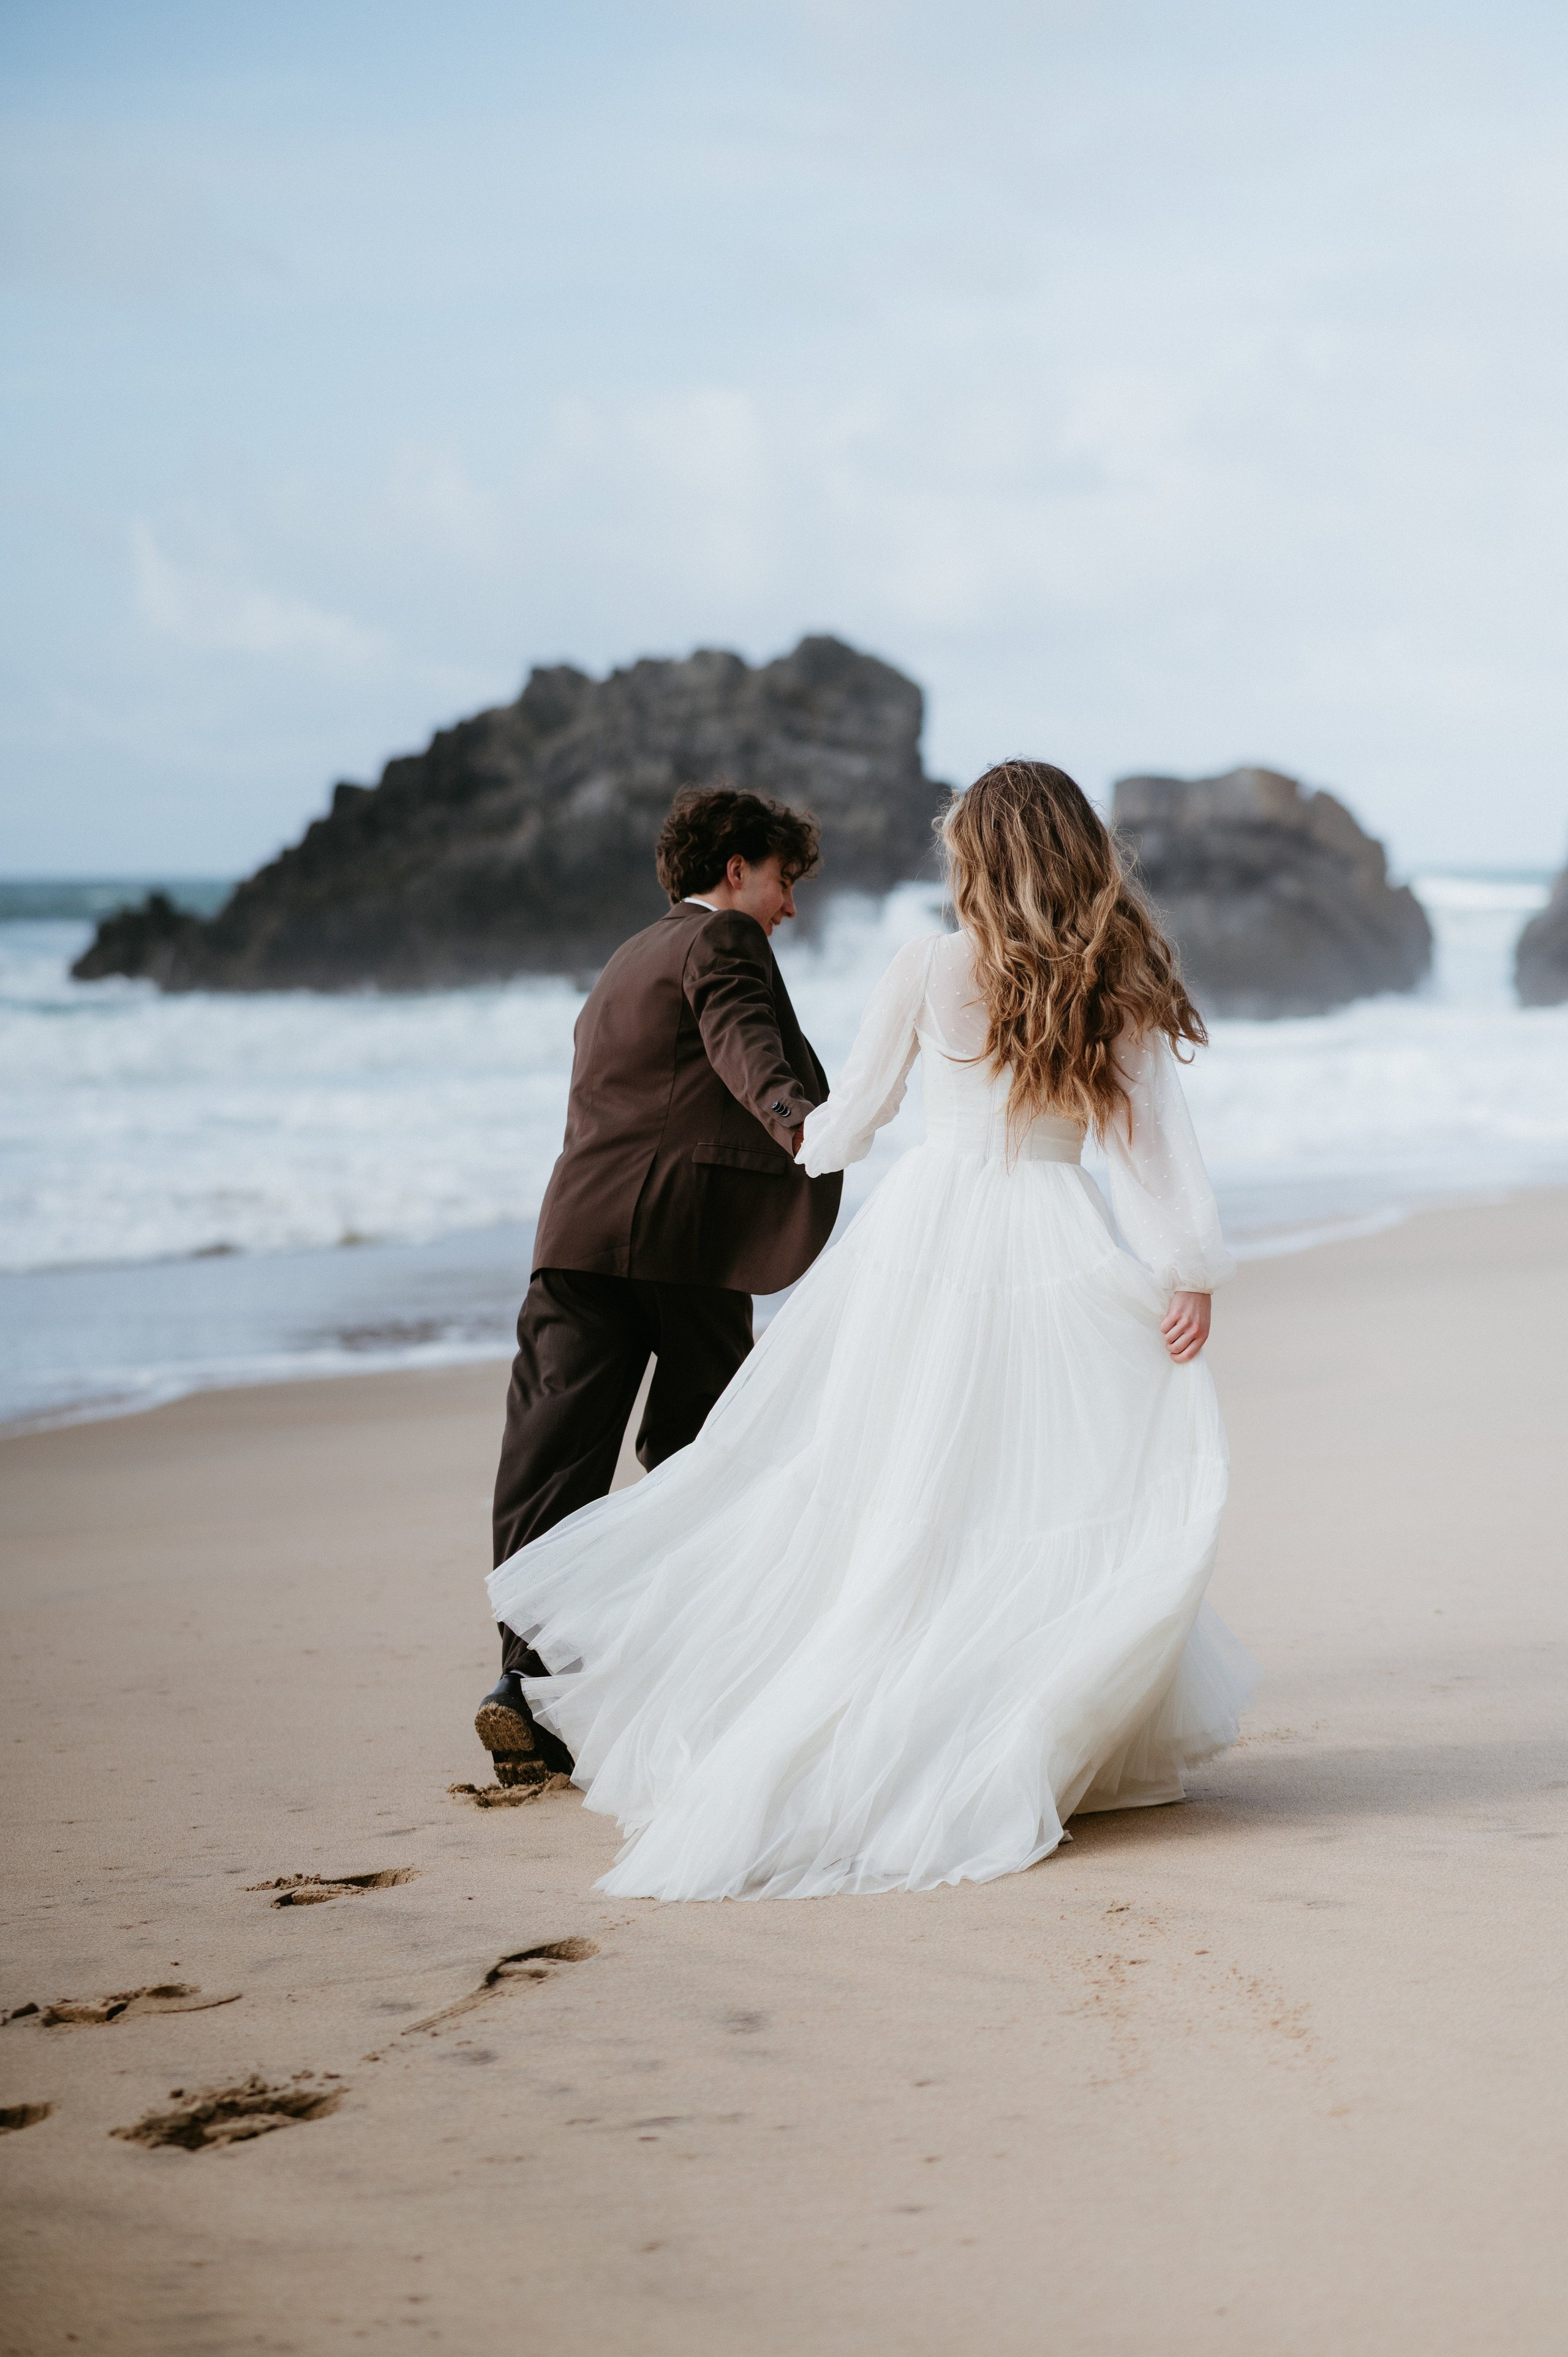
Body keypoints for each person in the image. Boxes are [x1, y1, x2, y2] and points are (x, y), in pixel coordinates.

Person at [488, 760, 1257, 1896]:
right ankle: (1028, 1718)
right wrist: (1185, 1270)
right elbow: (1153, 1147)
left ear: (979, 860)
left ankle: (612, 1685)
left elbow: (845, 1125)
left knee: (895, 1482)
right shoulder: (1116, 972)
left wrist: (775, 1145)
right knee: (1035, 1482)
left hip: (927, 1238)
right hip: (1056, 1233)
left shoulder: (929, 966)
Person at [477, 784, 843, 1782]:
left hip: (577, 1240)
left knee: (548, 1468)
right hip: (681, 1246)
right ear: (736, 869)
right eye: (782, 881)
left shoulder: (623, 960)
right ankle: (689, 1685)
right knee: (707, 1457)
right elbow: (742, 1042)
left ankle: (526, 1688)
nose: (789, 907)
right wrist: (798, 1118)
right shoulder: (721, 945)